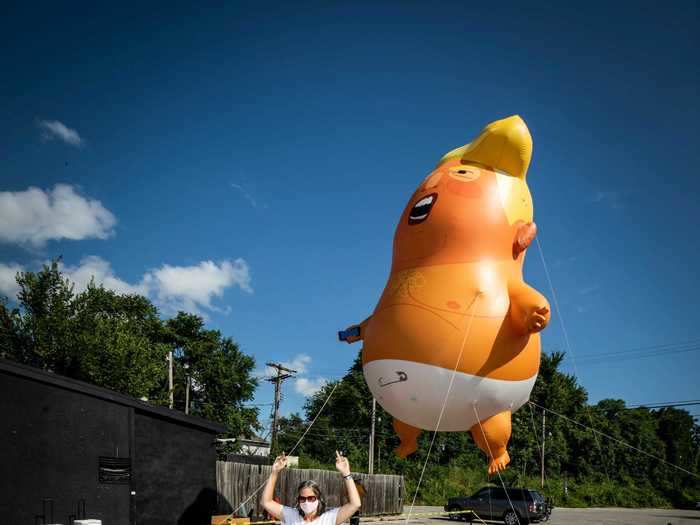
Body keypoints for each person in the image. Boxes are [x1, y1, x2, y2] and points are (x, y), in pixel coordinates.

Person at [261, 451, 361, 525]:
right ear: (298, 500)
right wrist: (274, 472)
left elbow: (355, 504)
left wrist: (346, 474)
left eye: (311, 498)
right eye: (302, 499)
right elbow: (266, 502)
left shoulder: (329, 518)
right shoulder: (291, 515)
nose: (306, 502)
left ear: (318, 499)